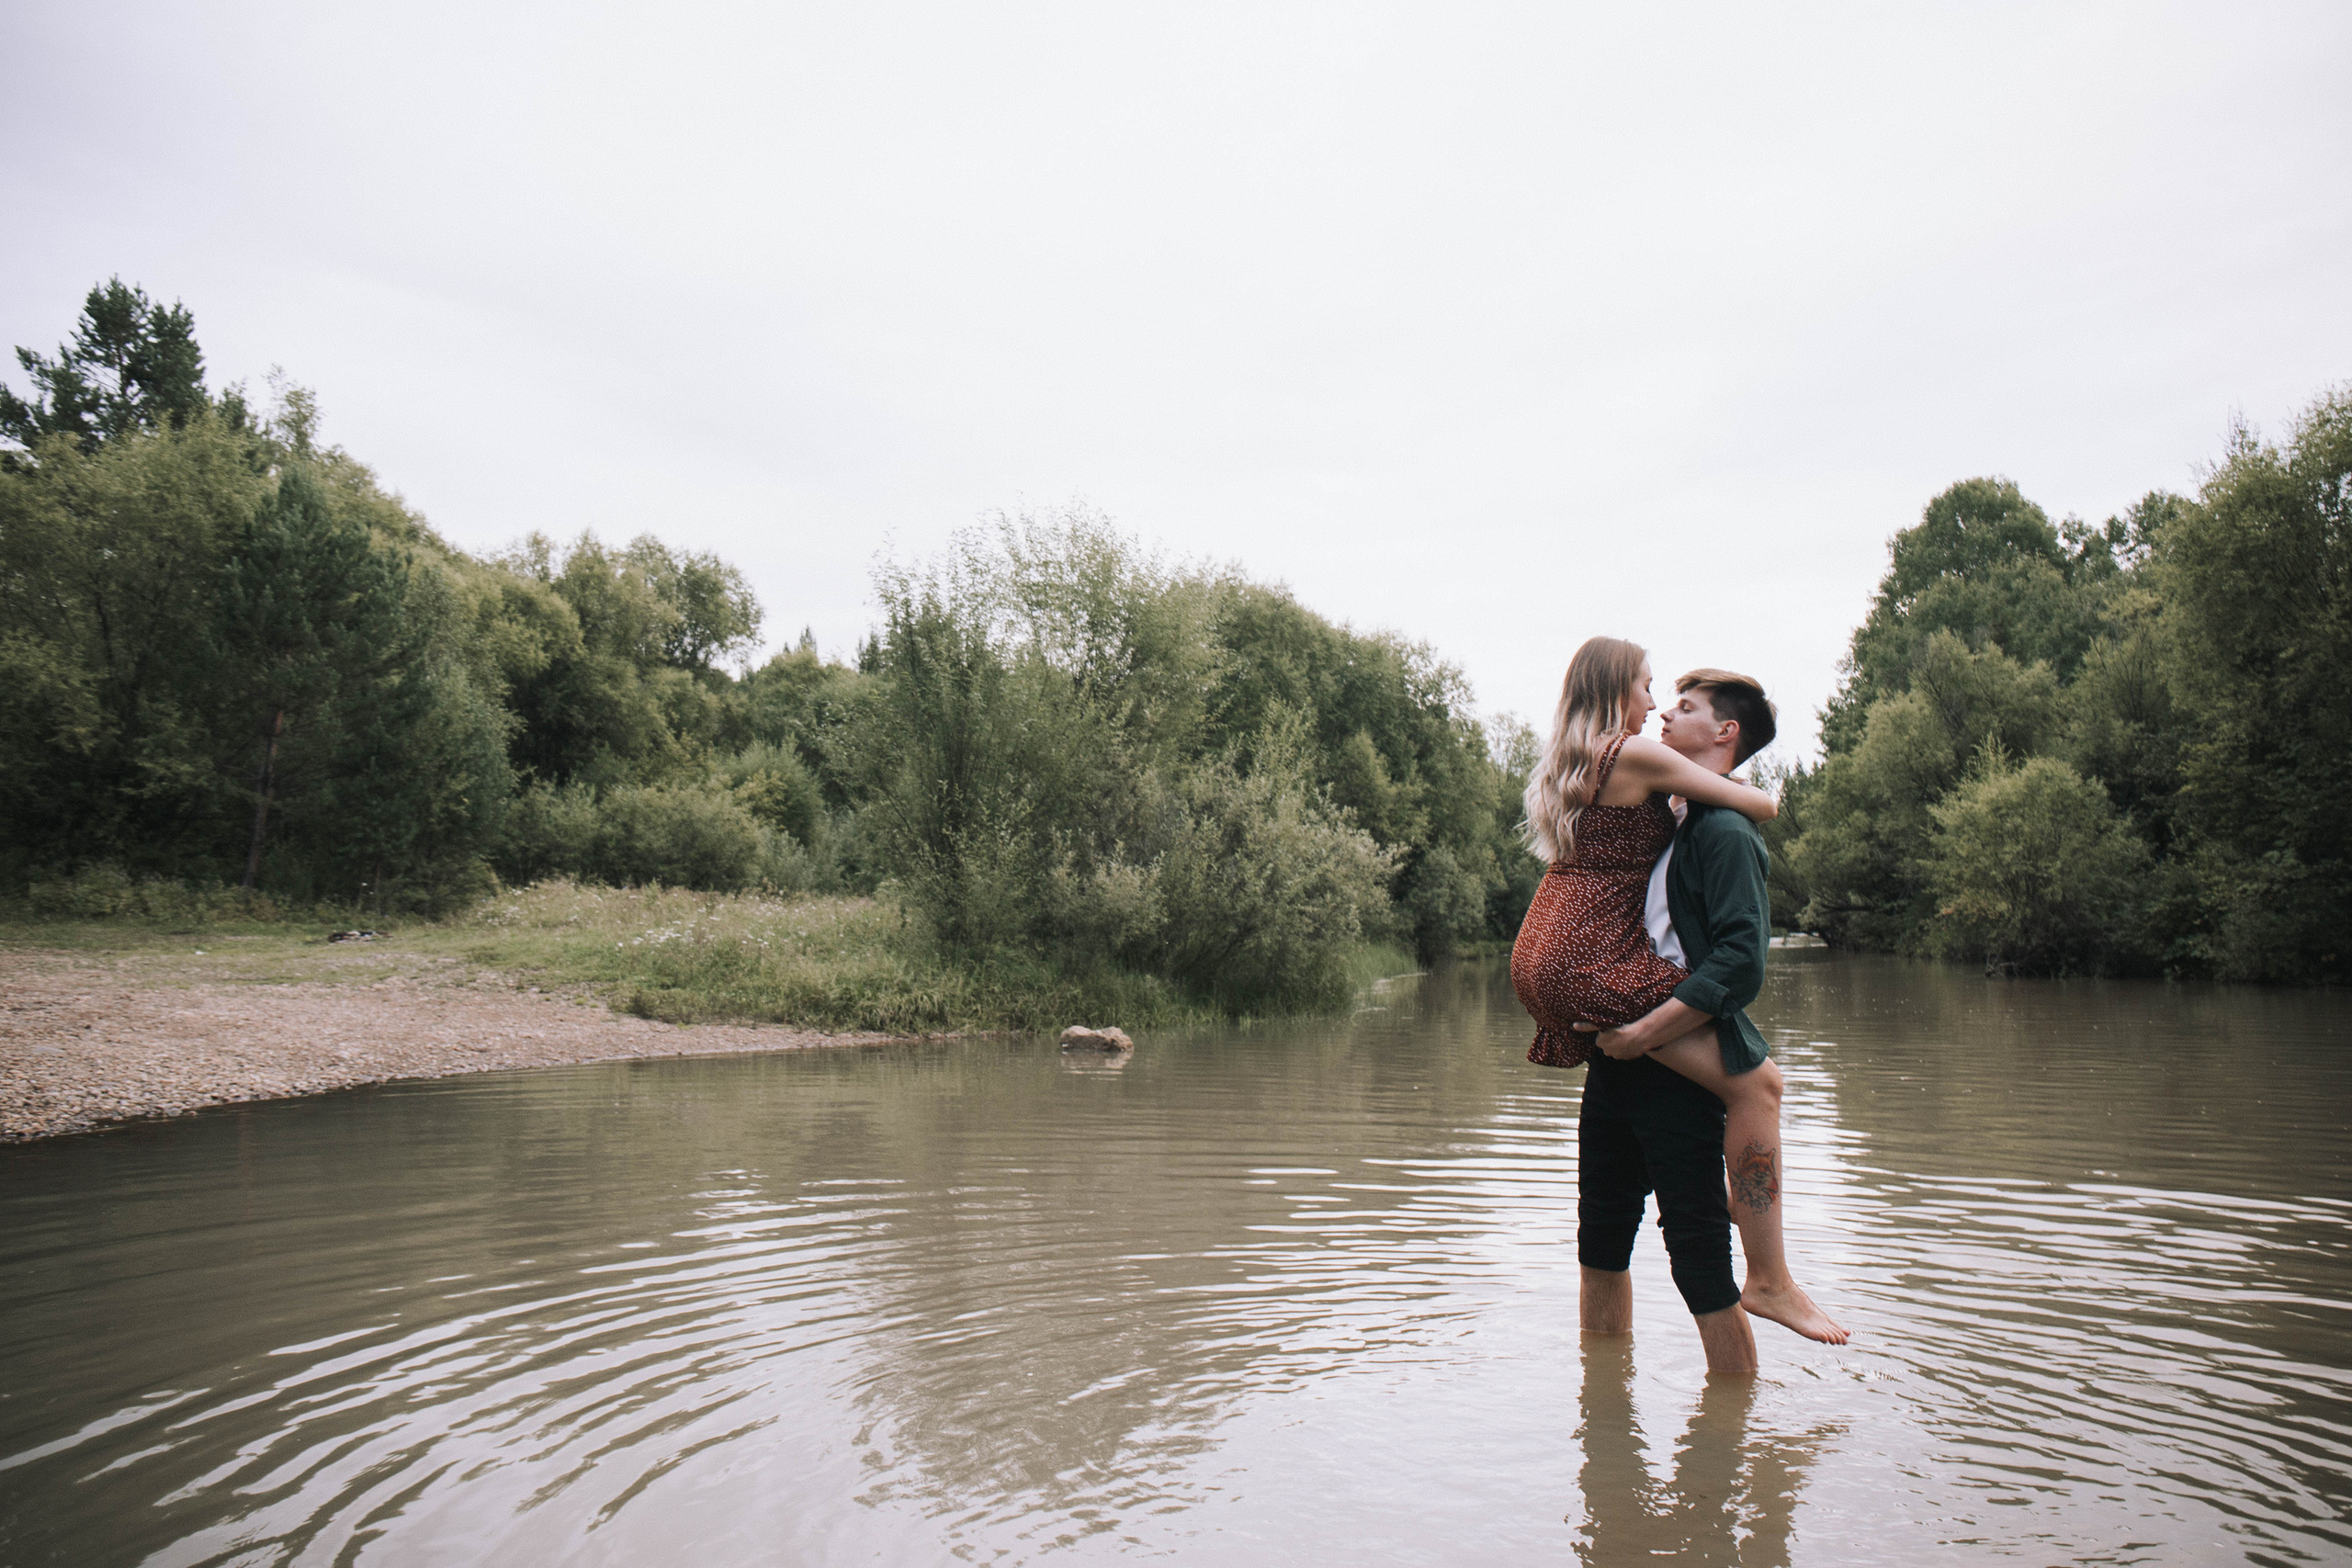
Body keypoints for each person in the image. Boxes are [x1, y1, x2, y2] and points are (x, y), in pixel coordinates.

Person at [1510, 637, 1845, 1370]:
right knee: (1761, 1082)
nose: (1659, 705)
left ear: (1726, 733)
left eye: (1682, 703)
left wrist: (1640, 1033)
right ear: (1615, 691)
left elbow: (1737, 960)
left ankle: (1622, 1408)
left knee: (1625, 1242)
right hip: (1593, 980)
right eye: (1653, 688)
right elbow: (1759, 806)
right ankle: (1771, 1273)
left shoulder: (1708, 824)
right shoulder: (1664, 789)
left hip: (1568, 971)